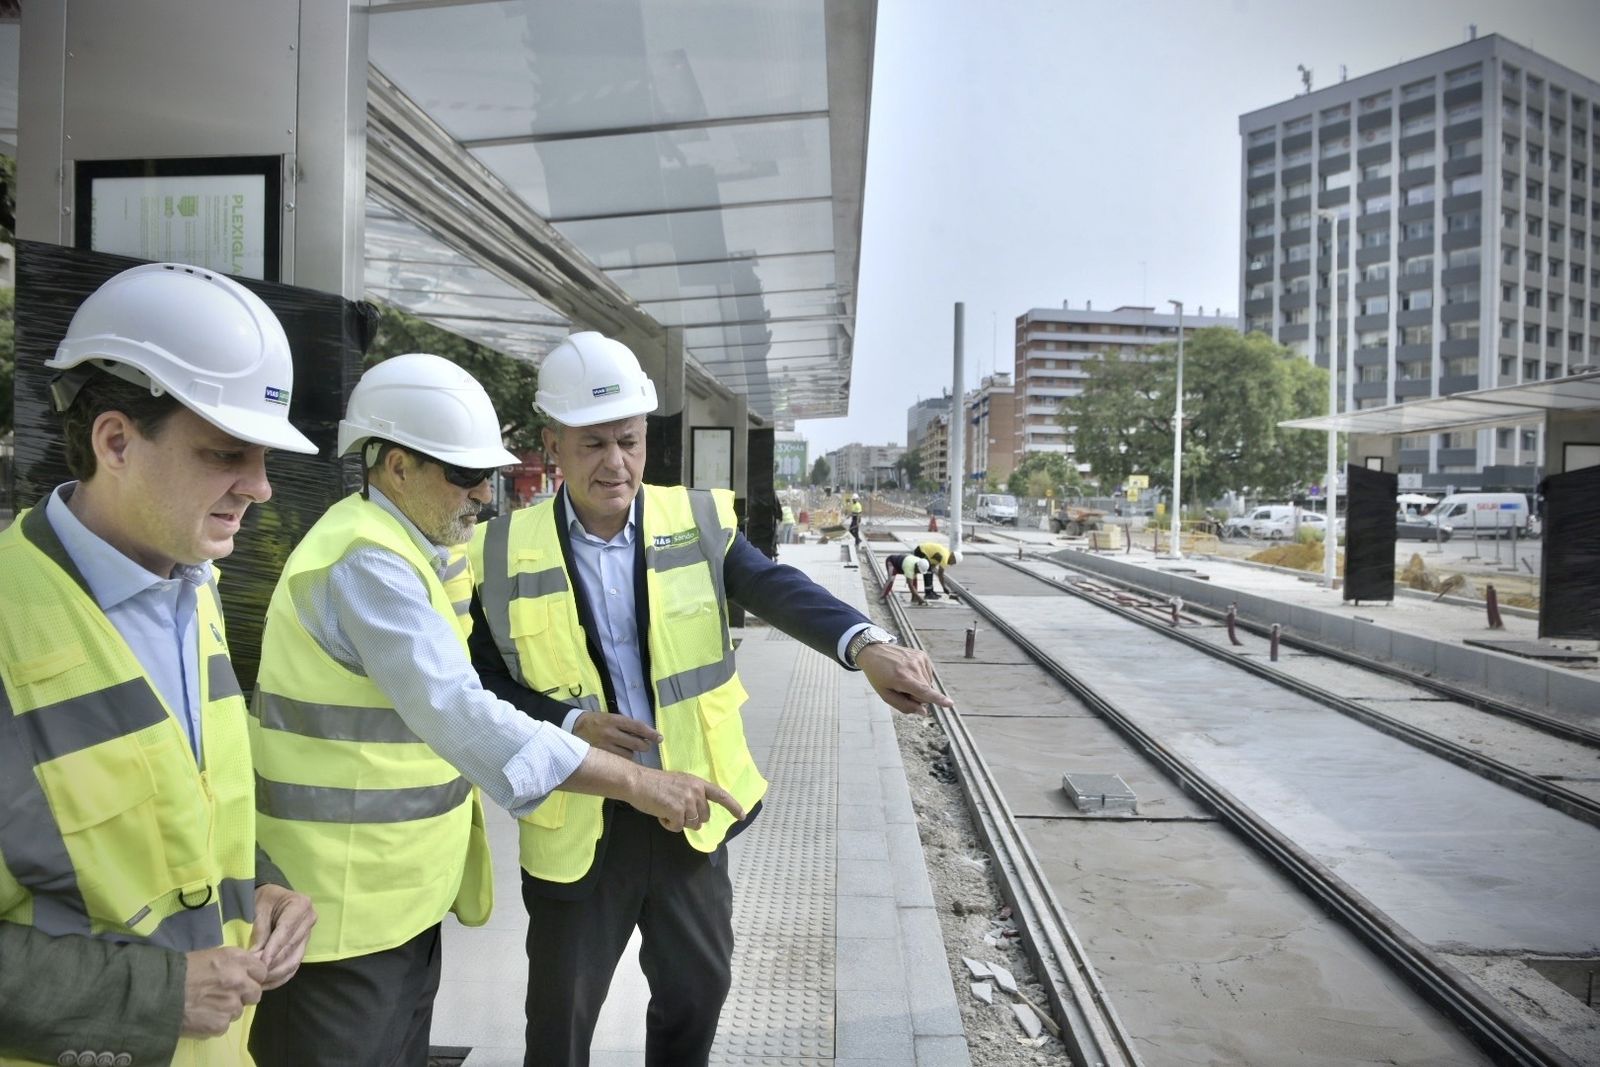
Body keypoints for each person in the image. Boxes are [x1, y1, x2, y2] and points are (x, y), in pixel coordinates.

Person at [466, 332, 951, 1067]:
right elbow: (483, 683)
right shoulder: (499, 550)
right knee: (559, 1021)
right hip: (579, 814)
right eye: (592, 443)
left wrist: (866, 645)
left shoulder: (691, 520)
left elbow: (773, 587)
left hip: (686, 809)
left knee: (699, 991)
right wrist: (569, 720)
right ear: (552, 444)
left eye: (628, 441)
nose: (615, 462)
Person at [247, 353, 740, 1067]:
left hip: (395, 903)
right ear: (394, 466)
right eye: (464, 474)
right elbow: (461, 708)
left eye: (491, 475)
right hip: (334, 914)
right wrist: (639, 781)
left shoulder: (422, 546)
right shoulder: (366, 565)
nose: (483, 494)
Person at [0, 262, 319, 1066]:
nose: (262, 487)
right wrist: (154, 993)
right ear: (115, 440)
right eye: (225, 455)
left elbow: (183, 813)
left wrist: (264, 885)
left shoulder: (192, 588)